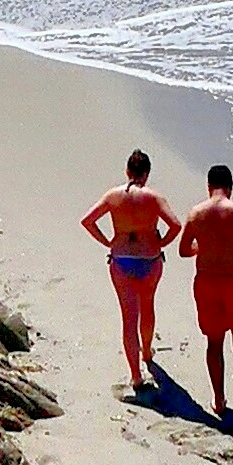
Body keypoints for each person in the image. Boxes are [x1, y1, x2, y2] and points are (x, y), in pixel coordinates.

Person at [82, 151, 181, 390]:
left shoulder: (113, 196)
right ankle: (147, 352)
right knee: (147, 306)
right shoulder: (154, 198)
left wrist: (108, 242)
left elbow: (87, 221)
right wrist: (160, 243)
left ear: (127, 172)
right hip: (149, 259)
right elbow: (176, 225)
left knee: (129, 317)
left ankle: (136, 375)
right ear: (146, 174)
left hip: (122, 259)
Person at [177, 162, 233, 415]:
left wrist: (202, 247)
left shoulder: (196, 213)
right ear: (230, 187)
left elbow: (184, 250)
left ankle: (219, 400)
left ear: (208, 187)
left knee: (214, 342)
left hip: (207, 282)